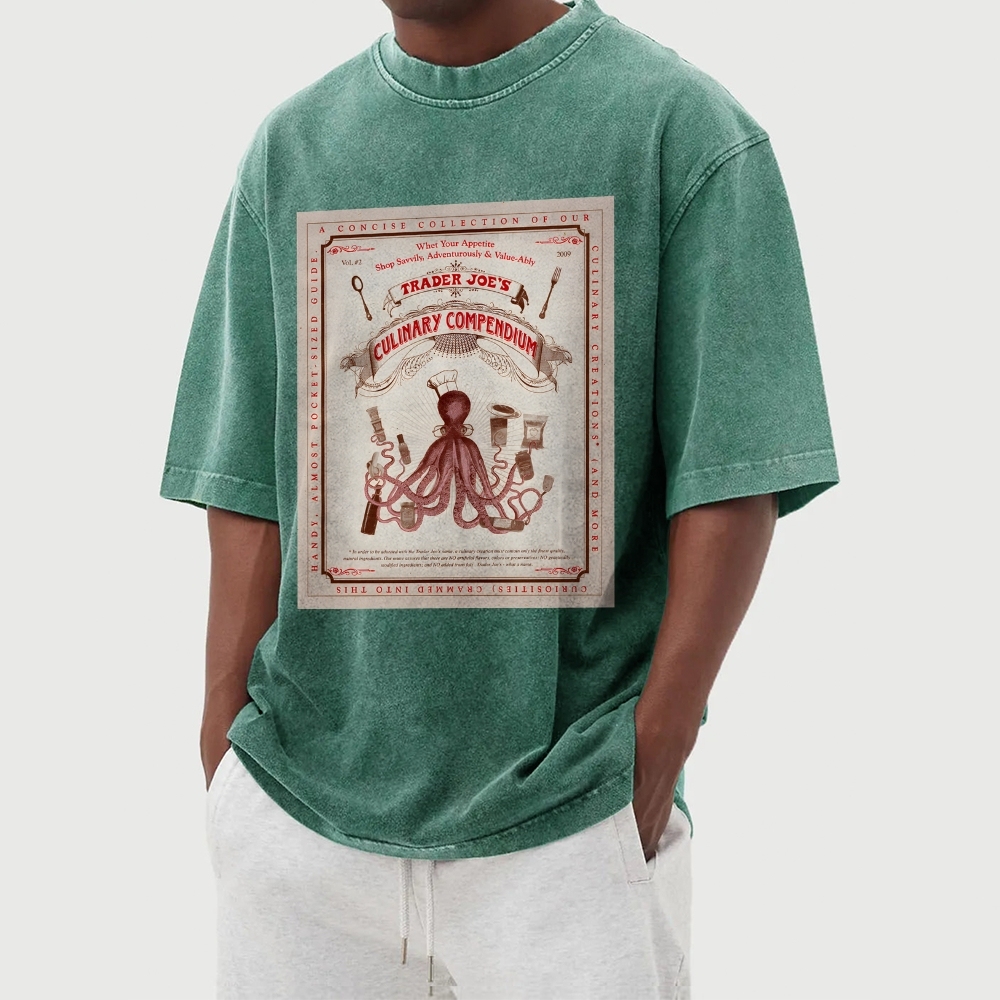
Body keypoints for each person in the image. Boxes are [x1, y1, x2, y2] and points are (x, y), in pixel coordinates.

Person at [161, 1, 839, 996]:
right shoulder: (293, 149)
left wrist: (655, 747)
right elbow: (245, 474)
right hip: (298, 824)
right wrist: (226, 749)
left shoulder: (677, 129)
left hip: (570, 824)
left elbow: (733, 468)